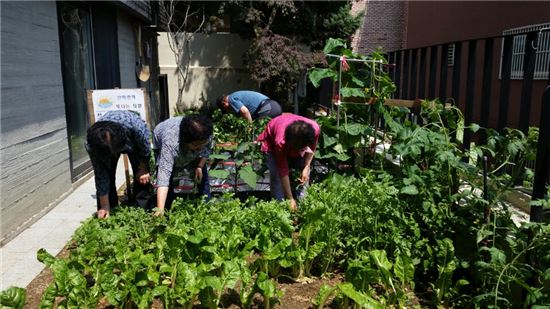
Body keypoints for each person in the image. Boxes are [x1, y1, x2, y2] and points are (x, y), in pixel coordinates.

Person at [86, 110, 152, 218]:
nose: (113, 153)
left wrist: (143, 168)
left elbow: (145, 149)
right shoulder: (93, 144)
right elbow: (101, 175)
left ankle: (141, 211)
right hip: (103, 149)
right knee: (108, 176)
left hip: (131, 143)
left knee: (141, 177)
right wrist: (104, 205)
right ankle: (108, 211)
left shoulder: (135, 126)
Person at [152, 114, 213, 215]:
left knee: (202, 177)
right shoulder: (170, 143)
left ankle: (206, 209)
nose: (200, 149)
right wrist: (159, 209)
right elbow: (164, 176)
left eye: (203, 144)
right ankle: (166, 210)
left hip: (190, 138)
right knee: (169, 177)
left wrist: (199, 166)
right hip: (161, 137)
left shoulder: (205, 132)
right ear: (185, 141)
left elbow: (207, 149)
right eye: (197, 145)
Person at [257, 114, 320, 210]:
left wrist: (306, 167)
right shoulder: (280, 141)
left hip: (294, 138)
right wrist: (290, 198)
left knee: (303, 174)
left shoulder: (314, 129)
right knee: (277, 176)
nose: (299, 150)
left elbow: (312, 148)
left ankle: (303, 206)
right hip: (271, 145)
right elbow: (282, 169)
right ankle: (279, 209)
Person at [215, 90, 282, 122]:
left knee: (257, 133)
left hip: (267, 108)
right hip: (275, 106)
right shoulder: (236, 95)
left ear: (224, 103)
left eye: (225, 108)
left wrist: (249, 125)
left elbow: (245, 111)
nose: (228, 110)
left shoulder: (231, 99)